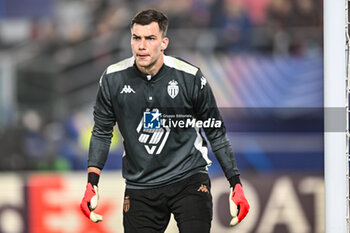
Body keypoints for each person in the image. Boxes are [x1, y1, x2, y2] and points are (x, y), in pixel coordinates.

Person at [80, 9, 249, 233]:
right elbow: (102, 132)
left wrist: (235, 182)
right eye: (136, 38)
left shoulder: (190, 77)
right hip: (140, 186)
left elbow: (215, 131)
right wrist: (92, 182)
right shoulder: (112, 79)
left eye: (150, 38)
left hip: (189, 178)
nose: (142, 46)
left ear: (164, 43)